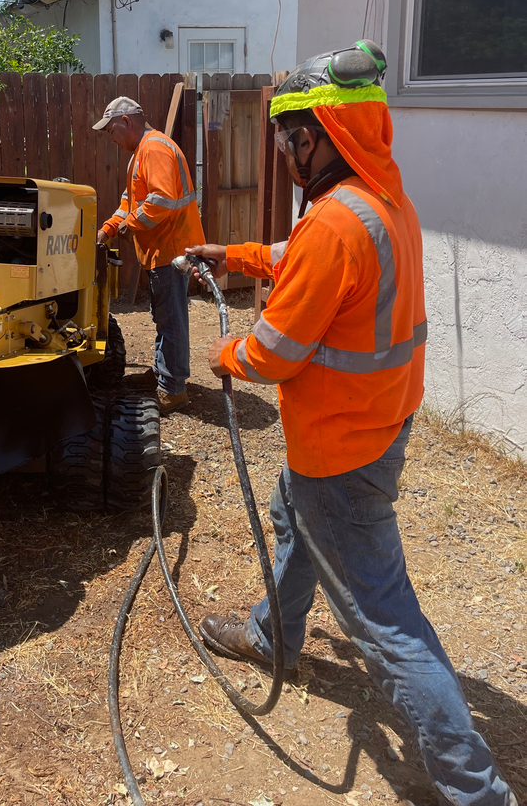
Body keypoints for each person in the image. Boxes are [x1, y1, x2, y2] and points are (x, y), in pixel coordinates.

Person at [187, 41, 516, 806]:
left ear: (315, 137)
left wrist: (226, 353)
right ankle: (276, 635)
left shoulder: (337, 224)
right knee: (292, 516)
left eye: (286, 137)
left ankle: (478, 793)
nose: (282, 152)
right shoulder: (382, 201)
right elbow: (300, 256)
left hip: (337, 449)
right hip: (378, 427)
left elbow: (273, 352)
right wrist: (228, 251)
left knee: (386, 627)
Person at [94, 95, 205, 415]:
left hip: (171, 250)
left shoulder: (154, 149)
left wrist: (127, 225)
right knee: (164, 316)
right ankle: (162, 374)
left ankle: (173, 389)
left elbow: (161, 201)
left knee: (171, 320)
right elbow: (130, 200)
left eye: (111, 130)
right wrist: (109, 228)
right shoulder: (142, 153)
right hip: (163, 250)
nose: (111, 138)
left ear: (126, 121)